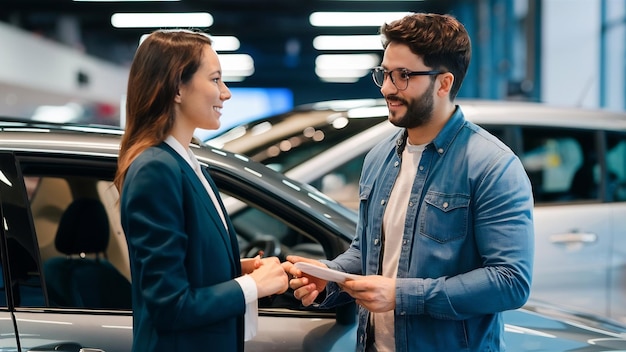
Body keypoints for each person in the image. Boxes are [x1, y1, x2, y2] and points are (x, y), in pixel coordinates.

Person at [283, 13, 534, 351]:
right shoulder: (379, 158)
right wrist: (330, 278)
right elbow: (368, 252)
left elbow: (510, 282)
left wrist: (402, 295)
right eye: (385, 73)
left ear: (443, 83)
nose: (387, 88)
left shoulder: (492, 165)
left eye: (403, 76)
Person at [114, 29, 288, 352]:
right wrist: (252, 285)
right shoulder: (156, 169)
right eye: (216, 80)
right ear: (178, 87)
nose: (226, 93)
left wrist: (242, 269)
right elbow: (171, 305)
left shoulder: (189, 164)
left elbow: (189, 266)